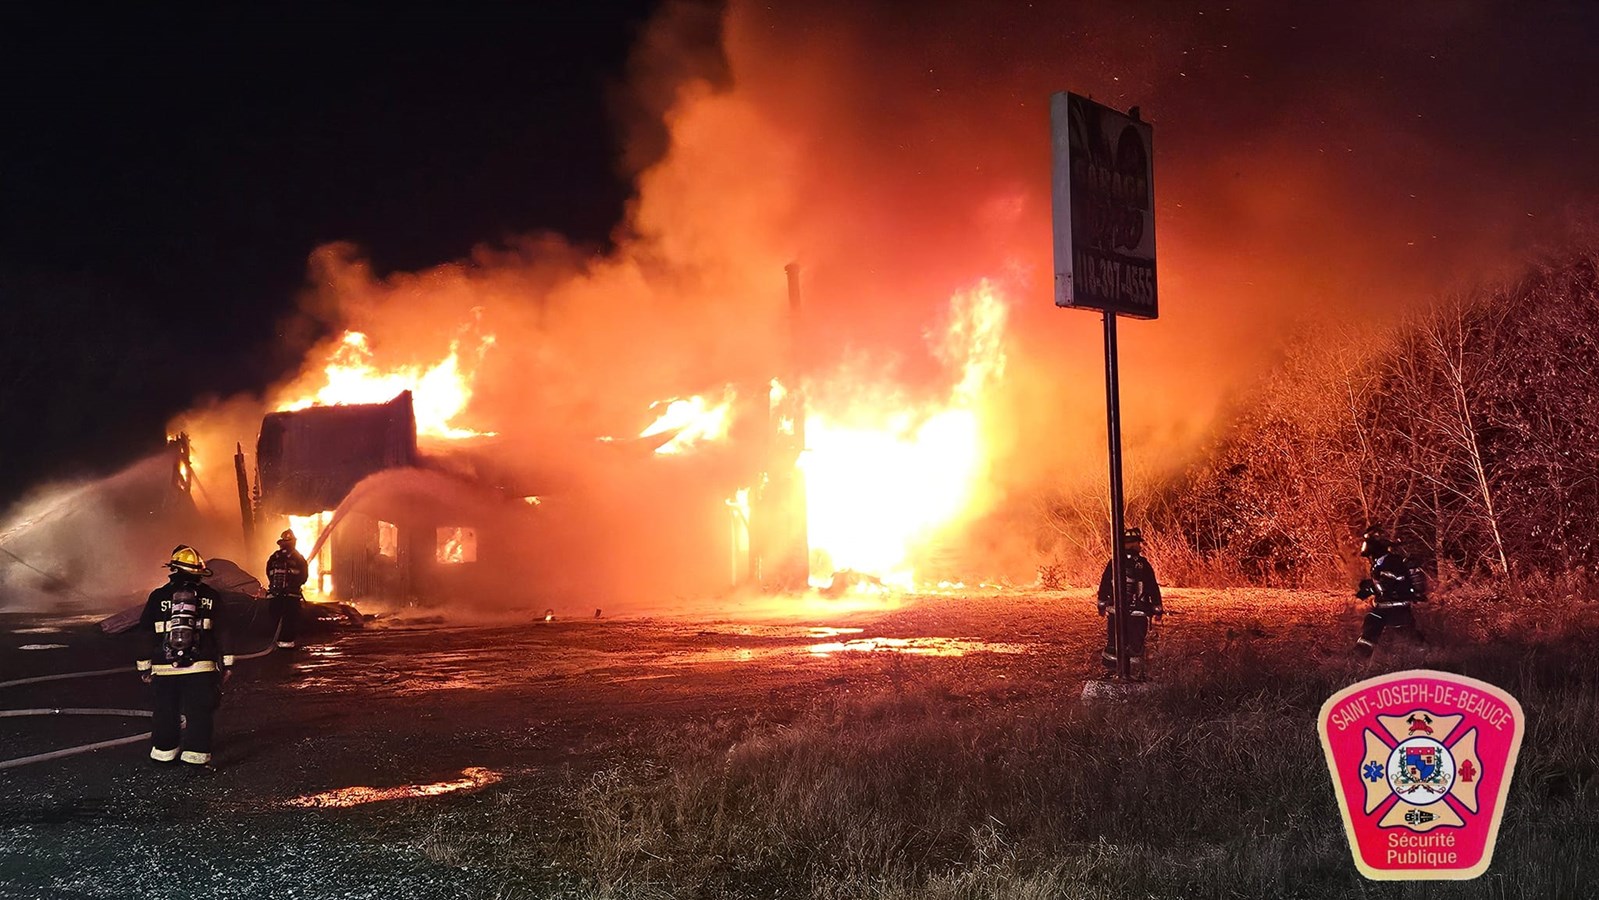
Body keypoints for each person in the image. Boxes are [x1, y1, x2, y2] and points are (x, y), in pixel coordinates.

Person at [137, 545, 233, 770]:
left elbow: (145, 633)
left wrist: (144, 666)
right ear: (199, 571)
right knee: (199, 712)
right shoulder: (211, 596)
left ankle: (163, 755)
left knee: (165, 711)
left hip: (164, 668)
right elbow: (224, 631)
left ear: (173, 569)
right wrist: (228, 663)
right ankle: (195, 758)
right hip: (201, 667)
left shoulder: (158, 596)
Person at [1097, 527, 1163, 679]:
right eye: (1137, 543)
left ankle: (1114, 673)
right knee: (1134, 645)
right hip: (1138, 615)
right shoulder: (1143, 564)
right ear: (1132, 544)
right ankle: (1132, 675)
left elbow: (1104, 585)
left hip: (1116, 614)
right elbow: (1152, 587)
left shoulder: (1114, 563)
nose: (1140, 546)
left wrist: (1101, 605)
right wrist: (1157, 609)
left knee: (1115, 643)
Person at [1353, 526, 1426, 656]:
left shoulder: (1390, 562)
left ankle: (1360, 655)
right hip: (1391, 606)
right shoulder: (1382, 562)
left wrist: (1369, 589)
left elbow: (1388, 584)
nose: (1365, 547)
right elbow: (1384, 583)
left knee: (1377, 624)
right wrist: (1369, 586)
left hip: (1394, 606)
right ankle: (1360, 656)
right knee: (1401, 631)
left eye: (1368, 544)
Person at [265, 528, 309, 649]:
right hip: (291, 597)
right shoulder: (299, 558)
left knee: (275, 618)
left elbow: (269, 573)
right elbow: (304, 577)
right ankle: (287, 645)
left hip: (275, 595)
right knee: (290, 620)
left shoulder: (274, 557)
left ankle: (274, 642)